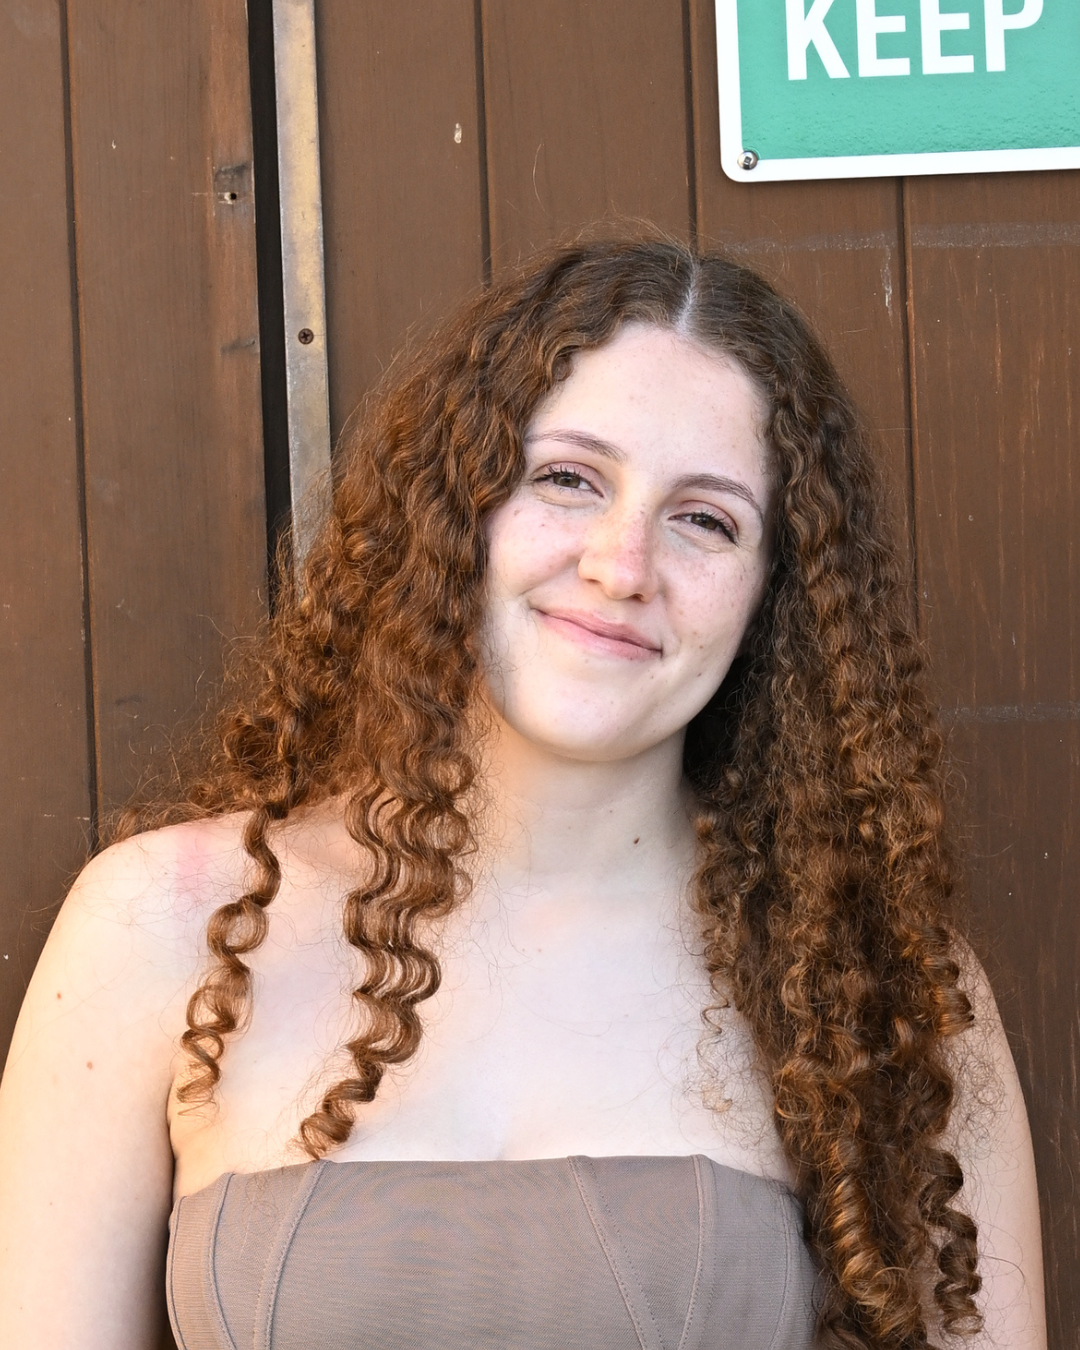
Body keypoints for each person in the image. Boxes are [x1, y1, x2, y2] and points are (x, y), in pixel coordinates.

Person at [0, 238, 1045, 1350]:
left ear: (773, 605)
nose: (620, 563)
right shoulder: (168, 923)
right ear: (457, 511)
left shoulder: (880, 989)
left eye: (706, 519)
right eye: (567, 479)